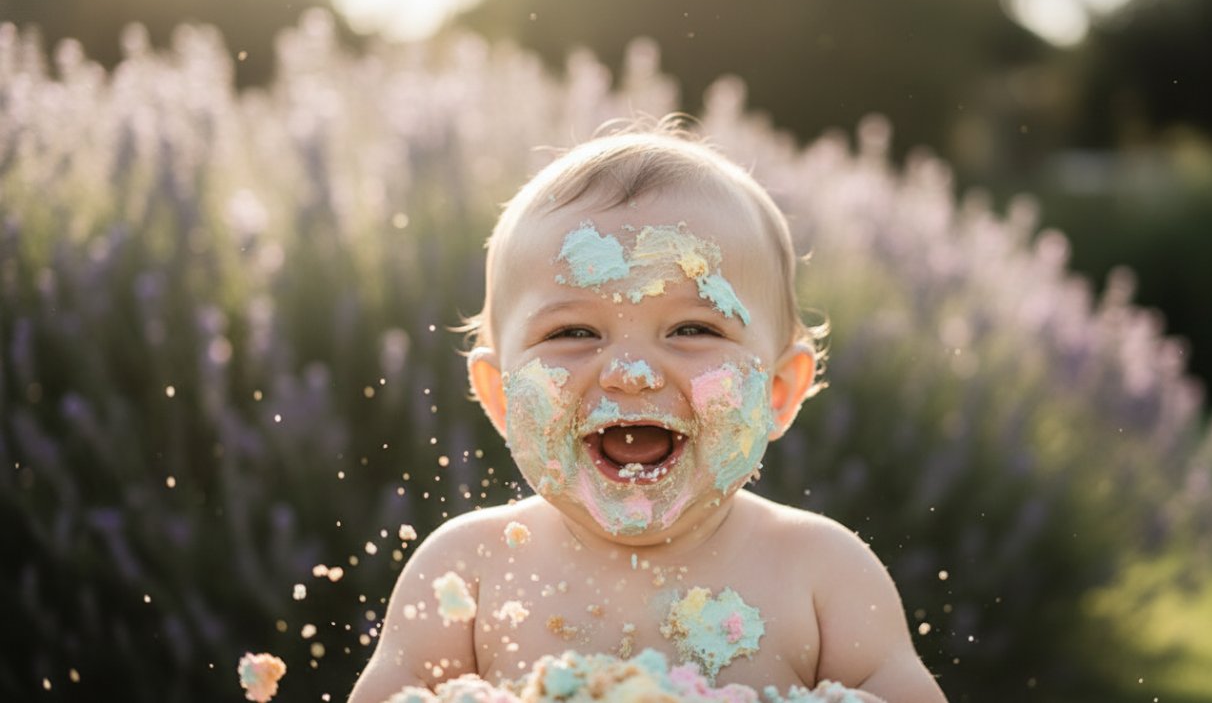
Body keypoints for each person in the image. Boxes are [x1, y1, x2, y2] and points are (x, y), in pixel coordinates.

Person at [348, 119, 947, 703]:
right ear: (501, 395)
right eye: (575, 332)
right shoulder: (468, 571)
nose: (631, 373)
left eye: (691, 327)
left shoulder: (821, 574)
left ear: (777, 392)